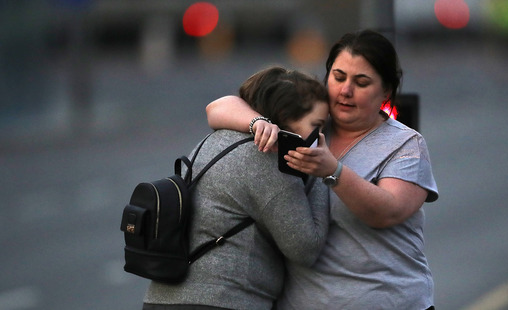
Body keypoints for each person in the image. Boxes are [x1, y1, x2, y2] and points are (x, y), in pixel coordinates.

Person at [206, 29, 439, 310]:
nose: (346, 91)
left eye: (361, 82)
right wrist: (257, 122)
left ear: (386, 91)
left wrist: (334, 172)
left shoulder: (405, 144)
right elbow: (219, 107)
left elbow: (387, 212)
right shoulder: (306, 121)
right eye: (338, 77)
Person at [142, 66, 331, 310]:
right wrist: (321, 173)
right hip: (219, 301)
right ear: (285, 115)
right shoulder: (267, 159)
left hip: (162, 298)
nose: (321, 136)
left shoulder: (215, 139)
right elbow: (306, 248)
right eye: (317, 125)